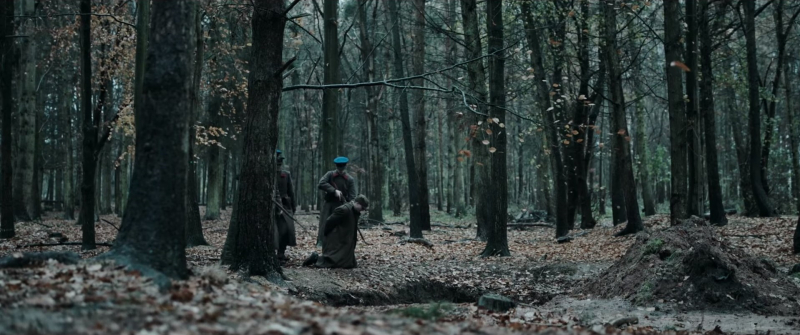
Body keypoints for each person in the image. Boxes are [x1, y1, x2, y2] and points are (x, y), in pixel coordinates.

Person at [303, 195, 369, 269]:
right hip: (338, 239)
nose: (362, 210)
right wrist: (331, 235)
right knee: (334, 261)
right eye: (362, 208)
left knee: (349, 264)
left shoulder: (354, 211)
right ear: (357, 203)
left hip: (346, 240)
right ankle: (316, 258)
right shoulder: (344, 209)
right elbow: (329, 222)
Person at [316, 156, 356, 247]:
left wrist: (349, 206)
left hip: (342, 205)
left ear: (345, 167)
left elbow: (352, 196)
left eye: (342, 167)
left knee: (340, 226)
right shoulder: (329, 175)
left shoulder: (349, 179)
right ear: (336, 167)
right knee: (324, 223)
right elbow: (321, 183)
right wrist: (334, 191)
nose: (340, 170)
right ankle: (321, 241)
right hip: (329, 204)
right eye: (339, 167)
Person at [274, 150, 296, 264]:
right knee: (274, 231)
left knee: (286, 230)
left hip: (285, 205)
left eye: (280, 164)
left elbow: (290, 191)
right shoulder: (269, 174)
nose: (278, 166)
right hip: (272, 206)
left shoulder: (286, 175)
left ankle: (281, 252)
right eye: (277, 163)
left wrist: (293, 206)